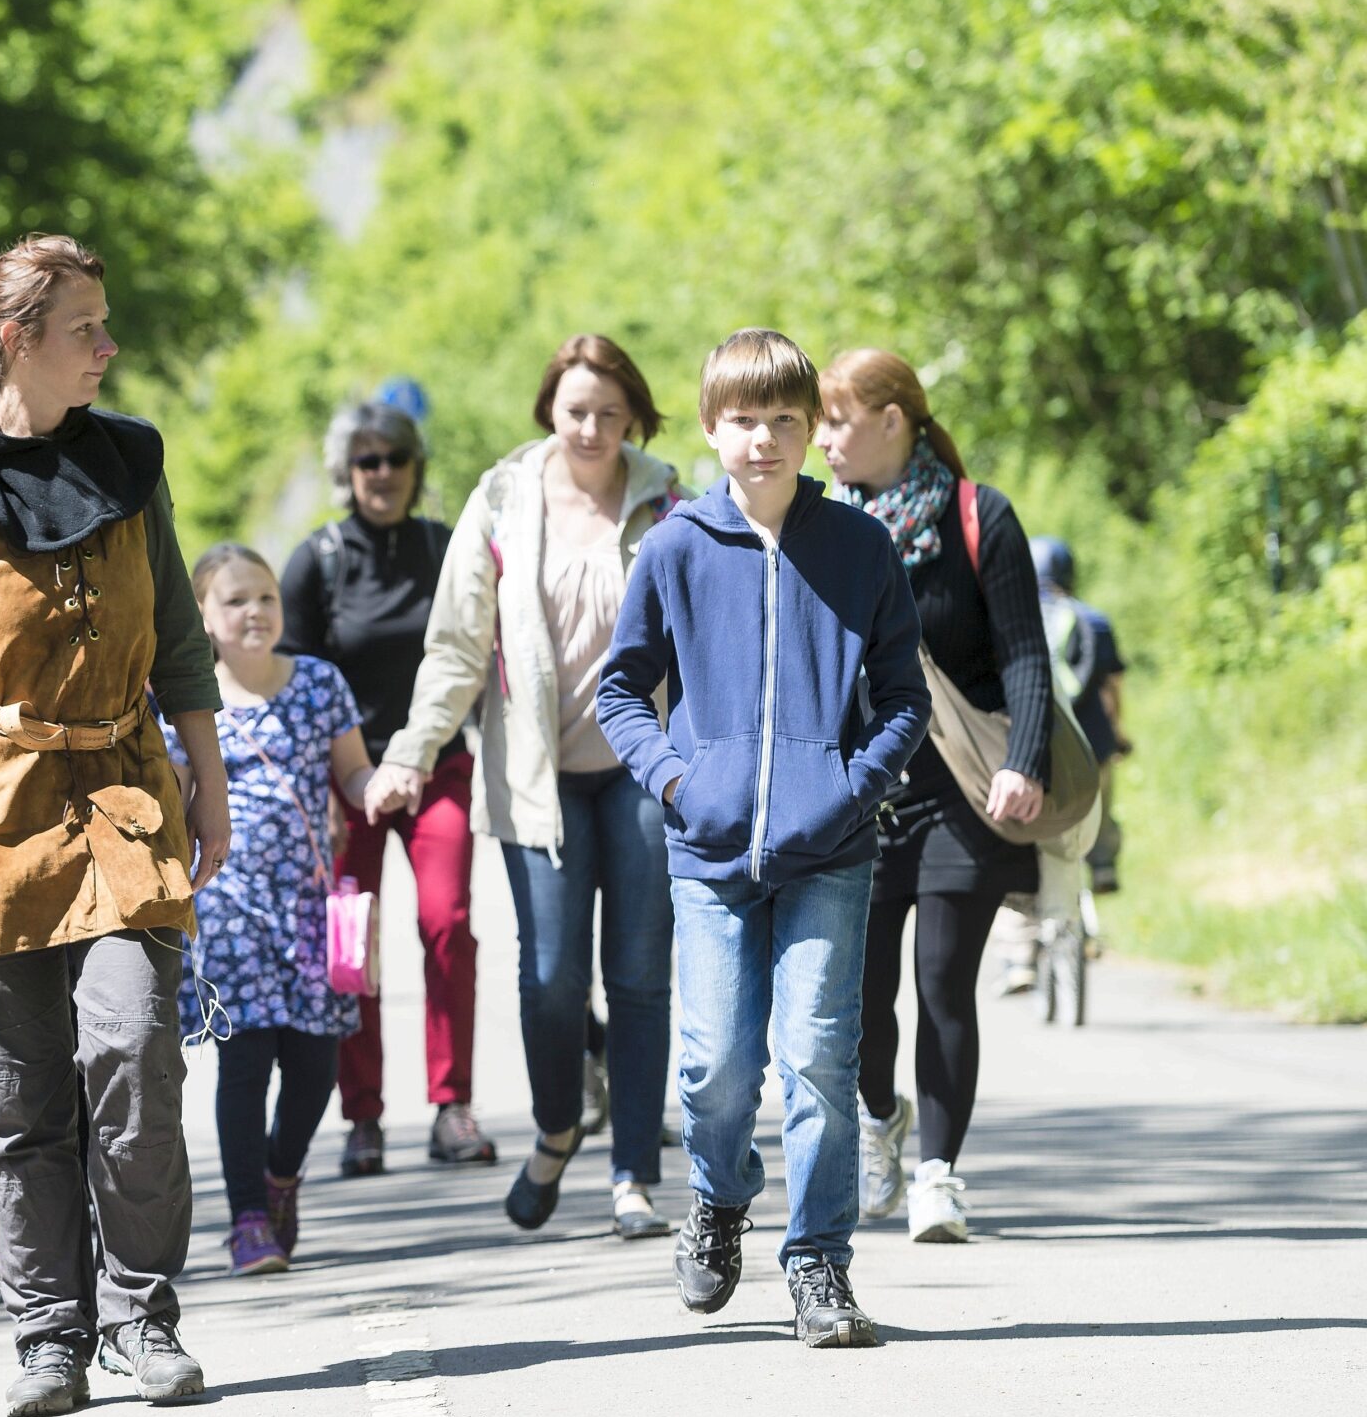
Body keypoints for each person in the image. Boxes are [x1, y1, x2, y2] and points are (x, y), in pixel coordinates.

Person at [0, 233, 230, 1417]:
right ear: (17, 340)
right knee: (24, 1088)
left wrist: (210, 781)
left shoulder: (131, 464)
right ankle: (50, 1335)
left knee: (132, 1045)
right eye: (87, 327)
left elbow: (180, 637)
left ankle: (145, 1314)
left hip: (128, 794)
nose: (109, 347)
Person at [599, 329, 929, 1350]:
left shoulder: (858, 546)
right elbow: (620, 689)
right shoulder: (674, 546)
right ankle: (718, 1193)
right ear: (709, 428)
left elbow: (903, 699)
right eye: (743, 420)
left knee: (819, 1057)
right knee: (714, 1066)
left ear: (809, 431)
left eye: (786, 420)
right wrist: (673, 776)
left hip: (829, 848)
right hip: (707, 849)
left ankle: (818, 1263)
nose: (764, 440)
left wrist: (851, 789)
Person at [368, 335, 683, 1241]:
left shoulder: (668, 503)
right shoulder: (503, 497)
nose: (590, 427)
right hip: (537, 782)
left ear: (635, 419)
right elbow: (458, 647)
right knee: (550, 979)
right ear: (550, 406)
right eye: (576, 408)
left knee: (637, 978)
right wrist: (412, 752)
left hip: (641, 771)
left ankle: (633, 1172)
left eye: (610, 413)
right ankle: (555, 1128)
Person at [817, 349, 1054, 1243]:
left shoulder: (977, 515)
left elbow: (1025, 653)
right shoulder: (822, 528)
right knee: (863, 999)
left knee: (943, 982)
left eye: (837, 421)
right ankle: (882, 1122)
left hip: (965, 789)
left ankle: (938, 1175)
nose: (824, 441)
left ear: (894, 419)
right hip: (861, 793)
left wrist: (1023, 760)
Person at [280, 400, 491, 1177]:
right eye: (366, 461)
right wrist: (323, 794)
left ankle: (452, 1106)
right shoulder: (319, 559)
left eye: (395, 458)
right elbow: (292, 681)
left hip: (436, 765)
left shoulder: (443, 548)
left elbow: (478, 649)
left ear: (414, 467)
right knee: (349, 941)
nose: (382, 475)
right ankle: (361, 1115)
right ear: (346, 472)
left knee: (447, 922)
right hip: (347, 782)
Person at [172, 544, 373, 1276]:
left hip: (310, 907)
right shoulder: (188, 695)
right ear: (202, 616)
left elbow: (351, 769)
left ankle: (283, 1174)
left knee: (316, 1067)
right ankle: (248, 1217)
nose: (254, 610)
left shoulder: (319, 682)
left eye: (265, 597)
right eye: (234, 599)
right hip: (227, 907)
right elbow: (175, 786)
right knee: (246, 1062)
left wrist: (376, 785)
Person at [999, 535, 1130, 989]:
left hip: (1032, 748)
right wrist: (1118, 736)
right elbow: (1111, 691)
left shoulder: (1013, 618)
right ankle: (1105, 866)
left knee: (1023, 839)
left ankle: (1019, 954)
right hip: (1090, 748)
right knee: (1097, 815)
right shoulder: (1094, 620)